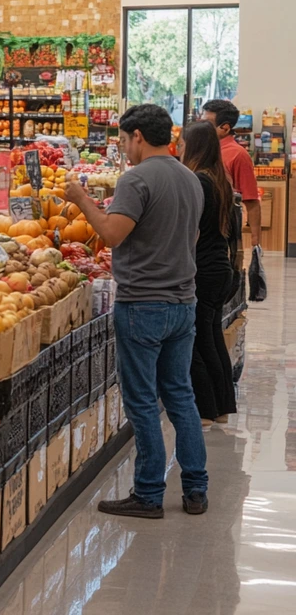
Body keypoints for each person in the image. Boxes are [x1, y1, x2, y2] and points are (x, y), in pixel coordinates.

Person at [64, 103, 208, 518]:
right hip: (183, 302)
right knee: (180, 395)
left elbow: (110, 234)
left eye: (124, 140)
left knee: (143, 400)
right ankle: (196, 490)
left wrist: (81, 199)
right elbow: (191, 236)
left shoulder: (137, 178)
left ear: (138, 137)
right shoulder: (190, 178)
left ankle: (148, 493)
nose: (124, 148)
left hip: (143, 303)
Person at [180, 120, 239, 426]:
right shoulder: (218, 179)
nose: (178, 149)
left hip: (202, 270)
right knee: (212, 339)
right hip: (219, 269)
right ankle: (221, 408)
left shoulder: (198, 181)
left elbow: (192, 231)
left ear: (193, 146)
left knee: (197, 341)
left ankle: (205, 409)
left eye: (182, 143)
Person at [201, 100, 260, 249]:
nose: (200, 128)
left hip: (222, 233)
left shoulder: (238, 155)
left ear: (225, 128)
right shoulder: (197, 149)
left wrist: (255, 242)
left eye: (206, 123)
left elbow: (251, 199)